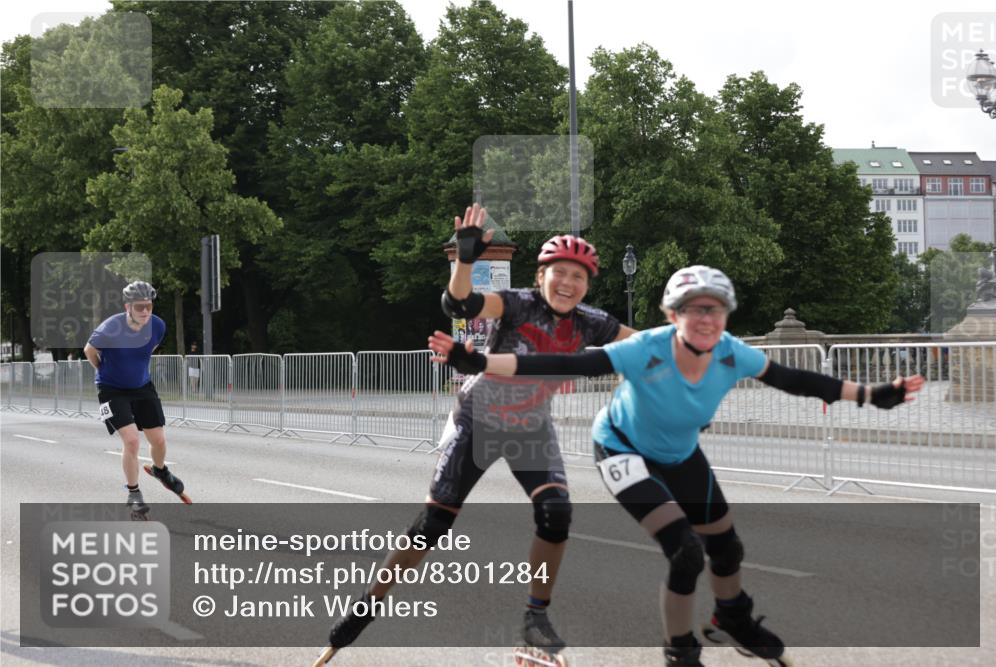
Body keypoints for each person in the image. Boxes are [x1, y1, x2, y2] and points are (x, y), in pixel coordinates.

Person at [429, 264, 925, 667]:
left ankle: (732, 616)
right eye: (692, 311)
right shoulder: (646, 348)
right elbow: (572, 364)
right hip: (622, 448)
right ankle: (680, 652)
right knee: (685, 551)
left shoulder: (732, 354)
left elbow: (796, 379)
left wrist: (872, 395)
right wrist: (479, 363)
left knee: (727, 547)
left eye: (715, 311)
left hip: (680, 454)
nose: (705, 320)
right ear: (671, 314)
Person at [317, 204, 637, 664]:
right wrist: (465, 262)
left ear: (588, 284)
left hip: (530, 425)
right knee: (432, 527)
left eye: (579, 277)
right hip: (478, 420)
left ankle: (535, 619)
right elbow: (460, 304)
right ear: (541, 274)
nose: (568, 283)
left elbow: (651, 344)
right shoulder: (517, 302)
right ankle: (366, 606)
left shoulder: (591, 321)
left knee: (556, 512)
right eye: (559, 273)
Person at [83, 281, 190, 515]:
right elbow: (89, 351)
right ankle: (133, 492)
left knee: (159, 440)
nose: (145, 312)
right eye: (139, 307)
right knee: (131, 440)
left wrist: (135, 370)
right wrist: (104, 370)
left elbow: (146, 351)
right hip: (111, 389)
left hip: (141, 386)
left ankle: (160, 470)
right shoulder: (110, 327)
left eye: (149, 306)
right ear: (128, 306)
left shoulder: (158, 326)